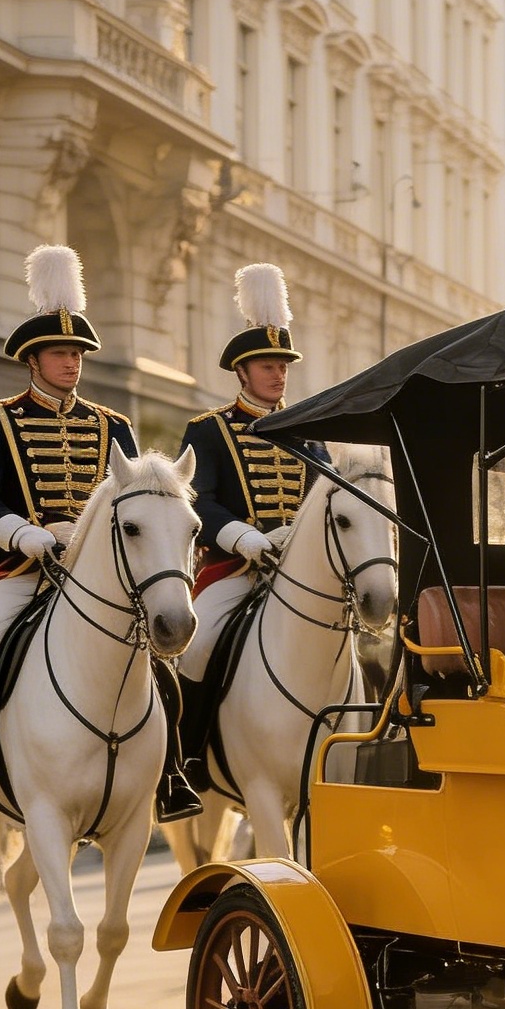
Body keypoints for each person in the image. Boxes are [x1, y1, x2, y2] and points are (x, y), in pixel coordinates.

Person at [0, 243, 197, 825]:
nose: (72, 362)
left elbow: (139, 502)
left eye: (77, 352)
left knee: (160, 663)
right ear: (32, 360)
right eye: (60, 353)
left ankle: (171, 774)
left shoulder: (114, 427)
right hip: (23, 572)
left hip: (103, 581)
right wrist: (22, 533)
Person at [176, 264, 327, 783]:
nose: (278, 373)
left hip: (303, 574)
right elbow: (197, 499)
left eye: (283, 363)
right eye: (266, 364)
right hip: (233, 571)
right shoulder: (209, 431)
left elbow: (328, 500)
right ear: (241, 372)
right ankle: (187, 759)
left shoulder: (309, 433)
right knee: (197, 646)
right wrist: (246, 537)